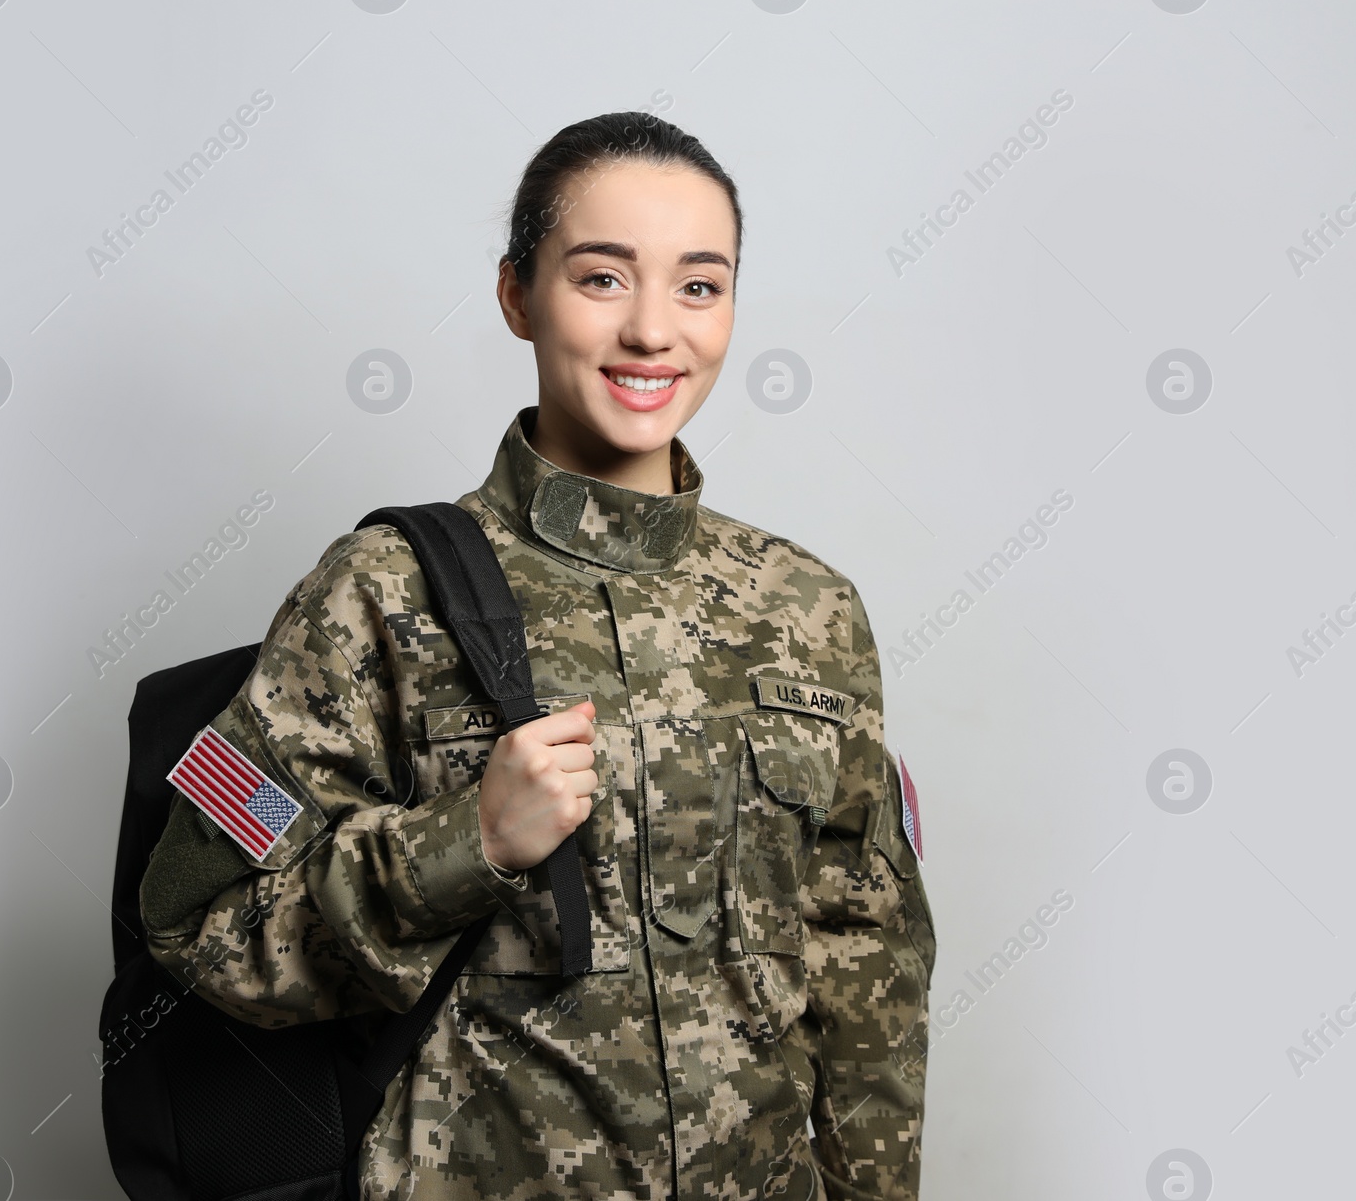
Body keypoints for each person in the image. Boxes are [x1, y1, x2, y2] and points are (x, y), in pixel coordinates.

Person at [139, 110, 936, 1200]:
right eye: (603, 278)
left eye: (699, 286)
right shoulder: (380, 589)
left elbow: (868, 963)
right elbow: (197, 917)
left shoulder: (809, 610)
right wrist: (462, 840)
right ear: (518, 293)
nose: (655, 331)